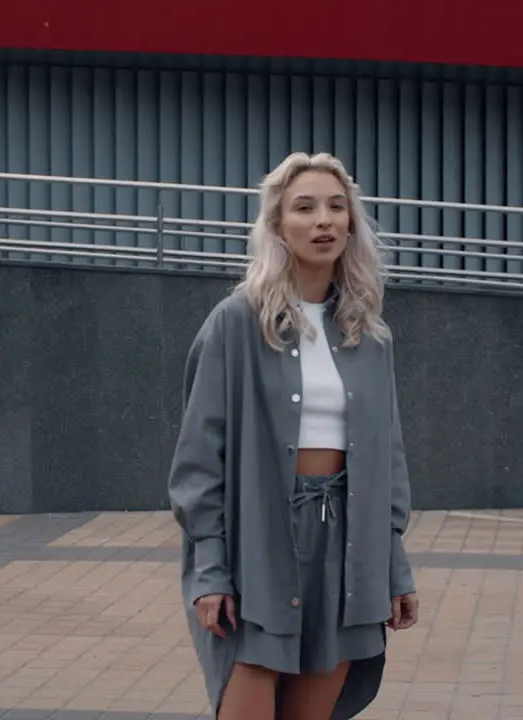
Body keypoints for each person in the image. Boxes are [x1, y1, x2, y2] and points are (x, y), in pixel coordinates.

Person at [167, 151, 419, 720]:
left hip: (349, 548)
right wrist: (211, 568)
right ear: (278, 225)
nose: (323, 220)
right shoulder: (236, 322)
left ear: (352, 223)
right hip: (260, 542)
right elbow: (199, 458)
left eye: (336, 207)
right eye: (305, 208)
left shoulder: (369, 335)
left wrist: (394, 567)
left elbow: (389, 458)